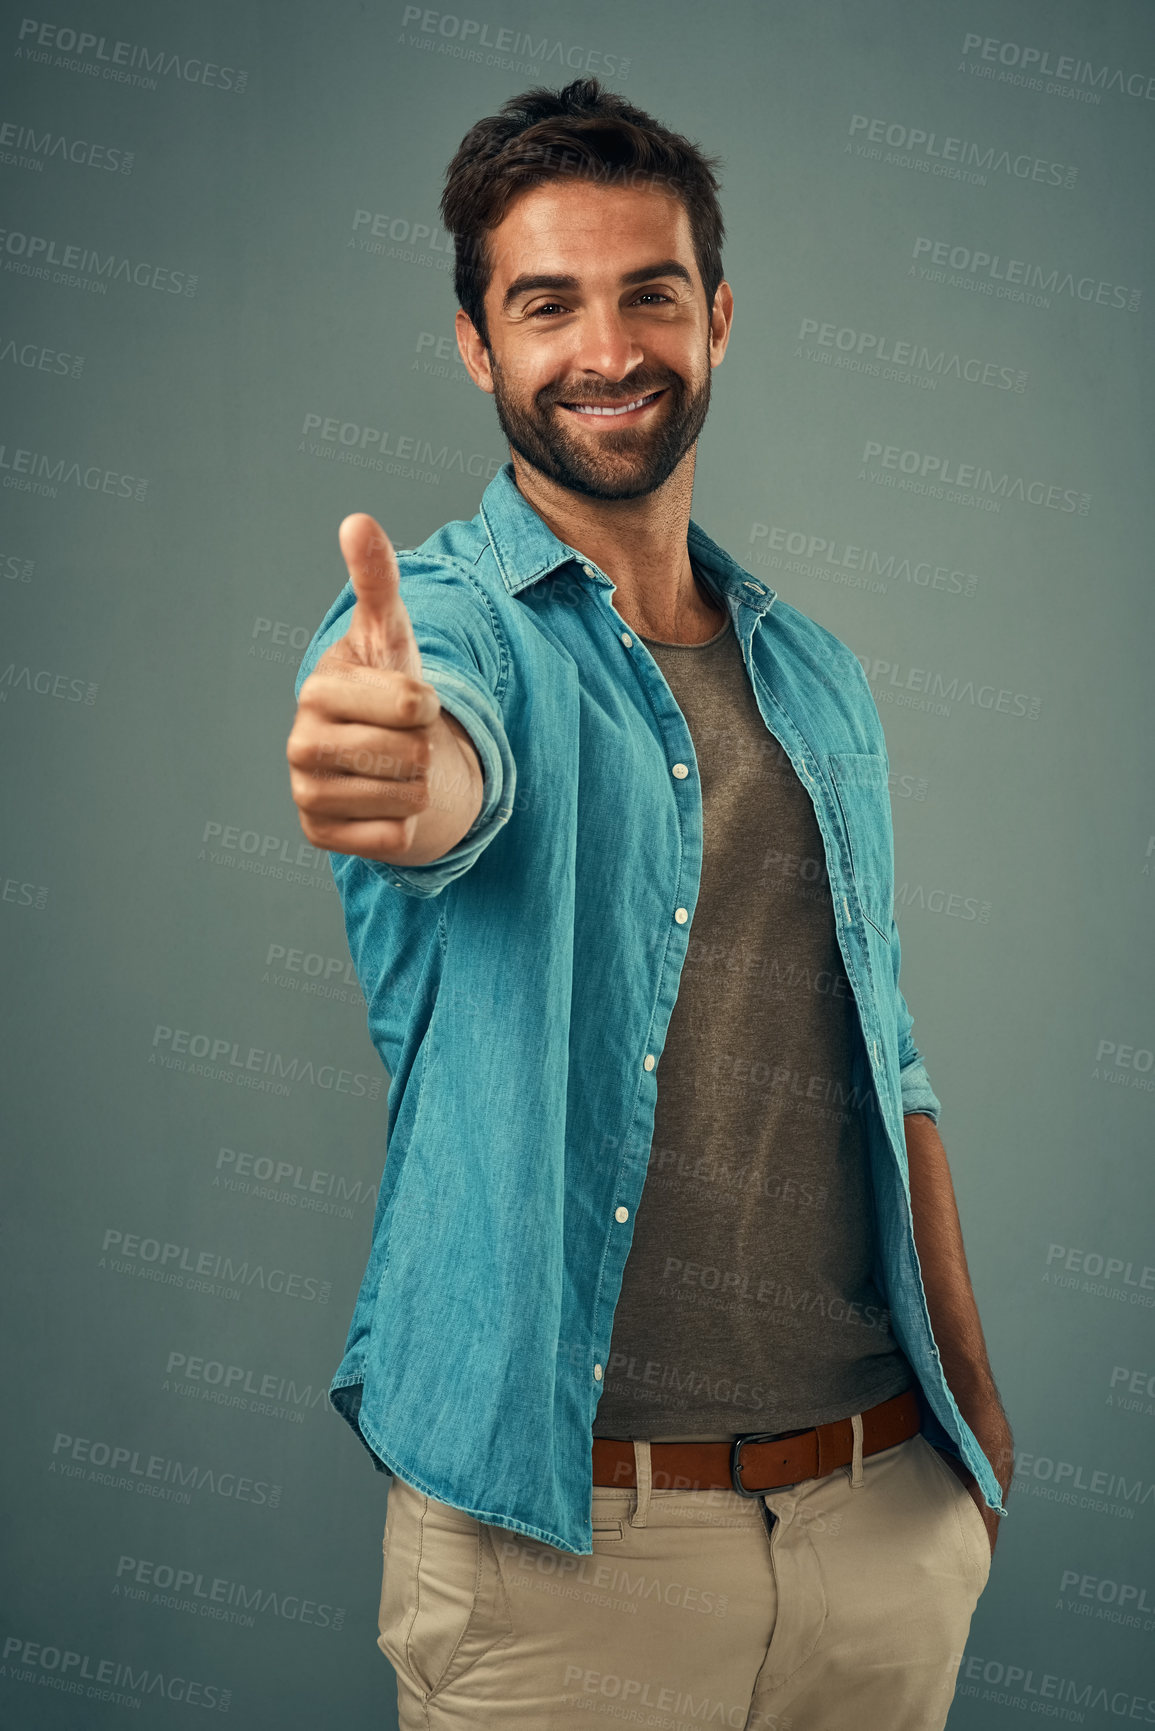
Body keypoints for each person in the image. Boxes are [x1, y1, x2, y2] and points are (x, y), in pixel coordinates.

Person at [287, 76, 1013, 1731]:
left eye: (650, 294)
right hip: (567, 1563)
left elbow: (889, 1050)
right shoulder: (439, 636)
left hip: (876, 1526)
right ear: (479, 344)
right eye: (547, 304)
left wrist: (970, 1424)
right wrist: (395, 773)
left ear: (720, 316)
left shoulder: (814, 678)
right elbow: (434, 773)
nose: (606, 348)